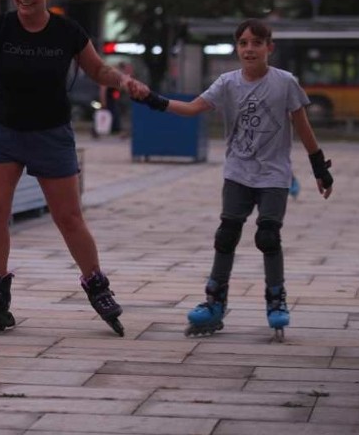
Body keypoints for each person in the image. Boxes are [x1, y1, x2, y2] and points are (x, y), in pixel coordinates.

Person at [0, 0, 150, 337]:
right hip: (2, 132)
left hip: (51, 134)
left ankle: (97, 285)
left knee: (68, 217)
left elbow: (97, 69)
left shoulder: (67, 32)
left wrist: (124, 82)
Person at [136, 18, 333, 341]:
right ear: (236, 48)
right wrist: (152, 100)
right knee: (226, 235)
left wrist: (319, 168)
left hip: (273, 175)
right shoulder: (227, 83)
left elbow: (302, 126)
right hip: (238, 172)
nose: (250, 49)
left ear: (270, 47)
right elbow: (192, 108)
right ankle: (214, 301)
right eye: (243, 43)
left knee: (268, 236)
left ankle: (276, 299)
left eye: (257, 43)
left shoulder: (285, 83)